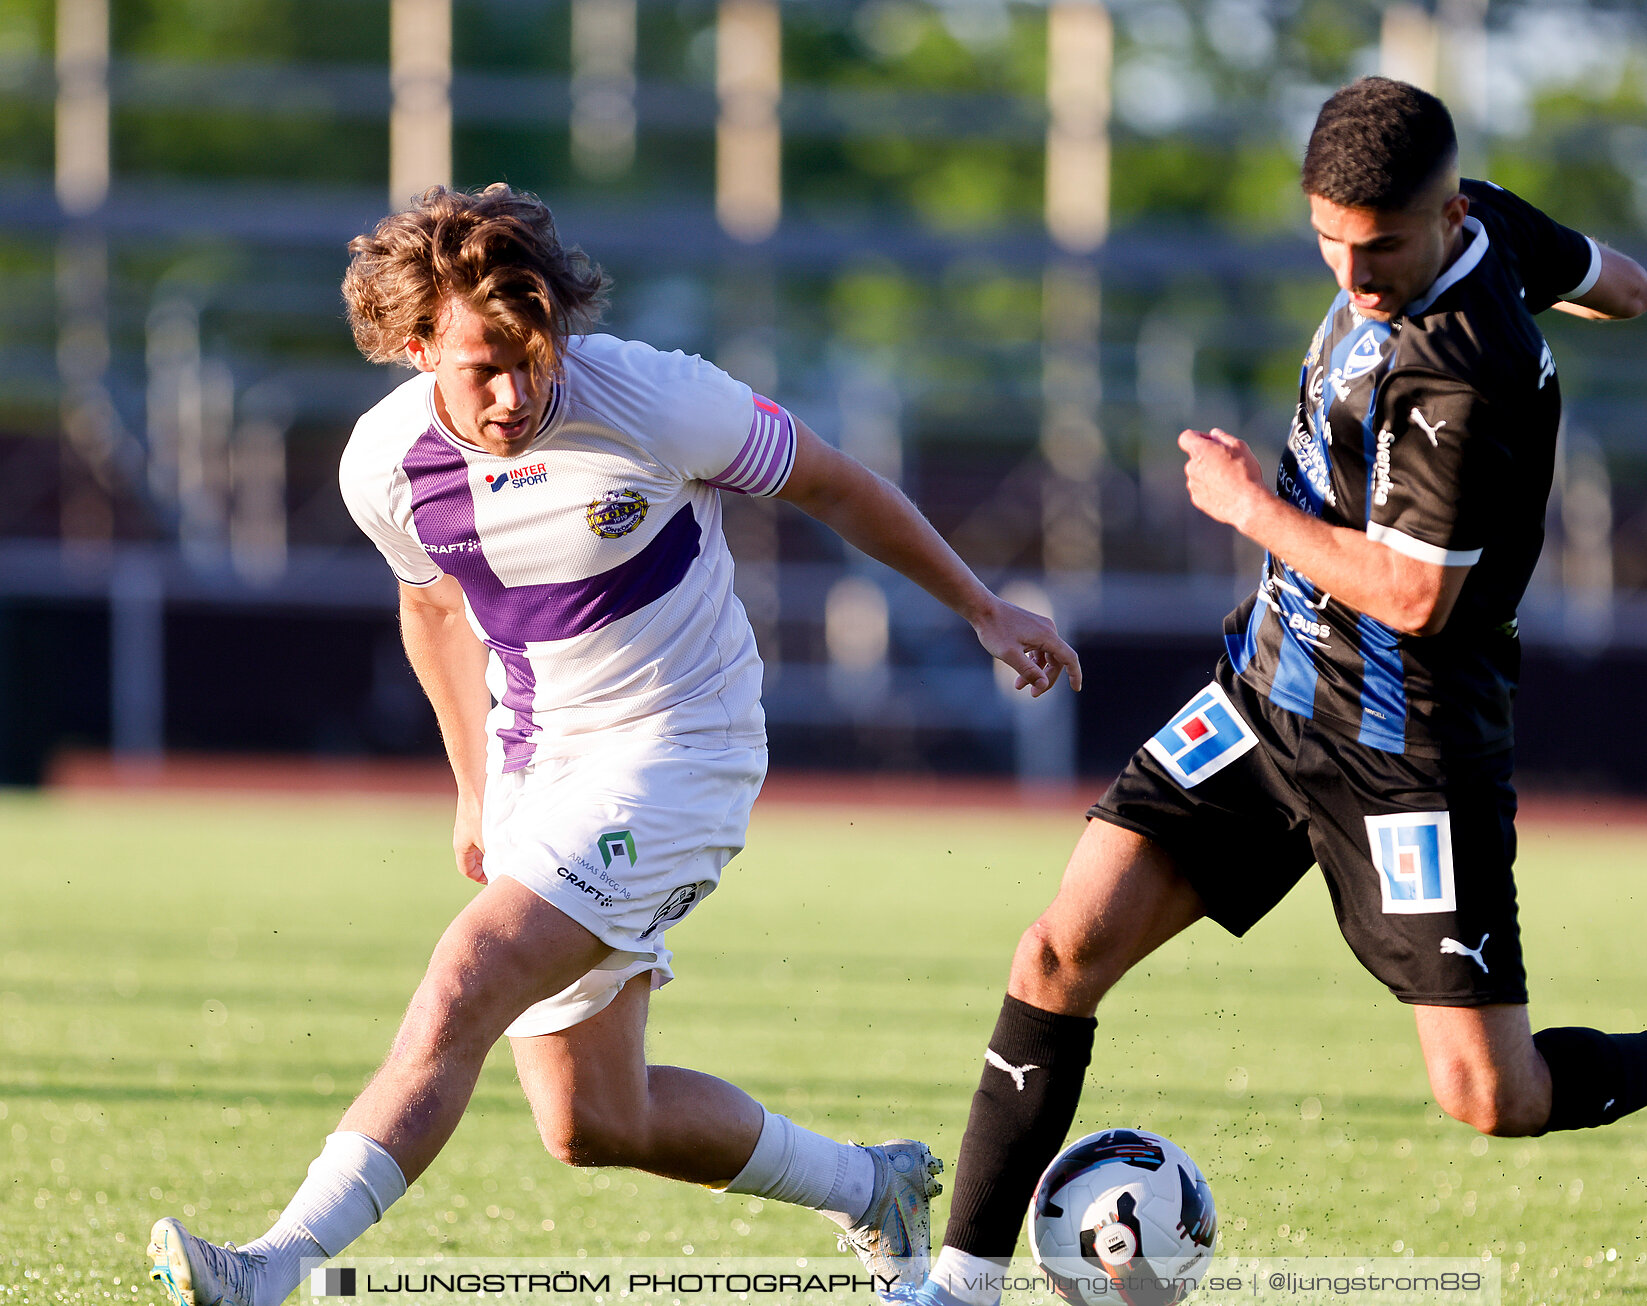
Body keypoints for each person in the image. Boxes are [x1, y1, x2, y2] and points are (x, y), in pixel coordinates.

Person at [914, 76, 1647, 1306]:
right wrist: (1594, 283)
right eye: (1330, 239)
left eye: (1378, 249)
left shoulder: (1466, 369)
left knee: (1494, 1093)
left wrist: (1247, 505)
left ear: (1438, 218)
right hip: (1268, 697)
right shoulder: (1485, 220)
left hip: (1410, 753)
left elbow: (1415, 596)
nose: (1354, 273)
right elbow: (1629, 285)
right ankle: (955, 1283)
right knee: (1059, 949)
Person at [147, 182, 1082, 1306]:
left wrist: (983, 606)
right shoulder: (381, 466)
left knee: (463, 982)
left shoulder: (655, 396)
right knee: (593, 1118)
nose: (513, 390)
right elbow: (437, 608)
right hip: (545, 765)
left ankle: (271, 1267)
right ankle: (869, 1186)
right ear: (413, 349)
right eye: (479, 365)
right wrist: (474, 789)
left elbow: (835, 483)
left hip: (684, 751)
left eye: (531, 354)